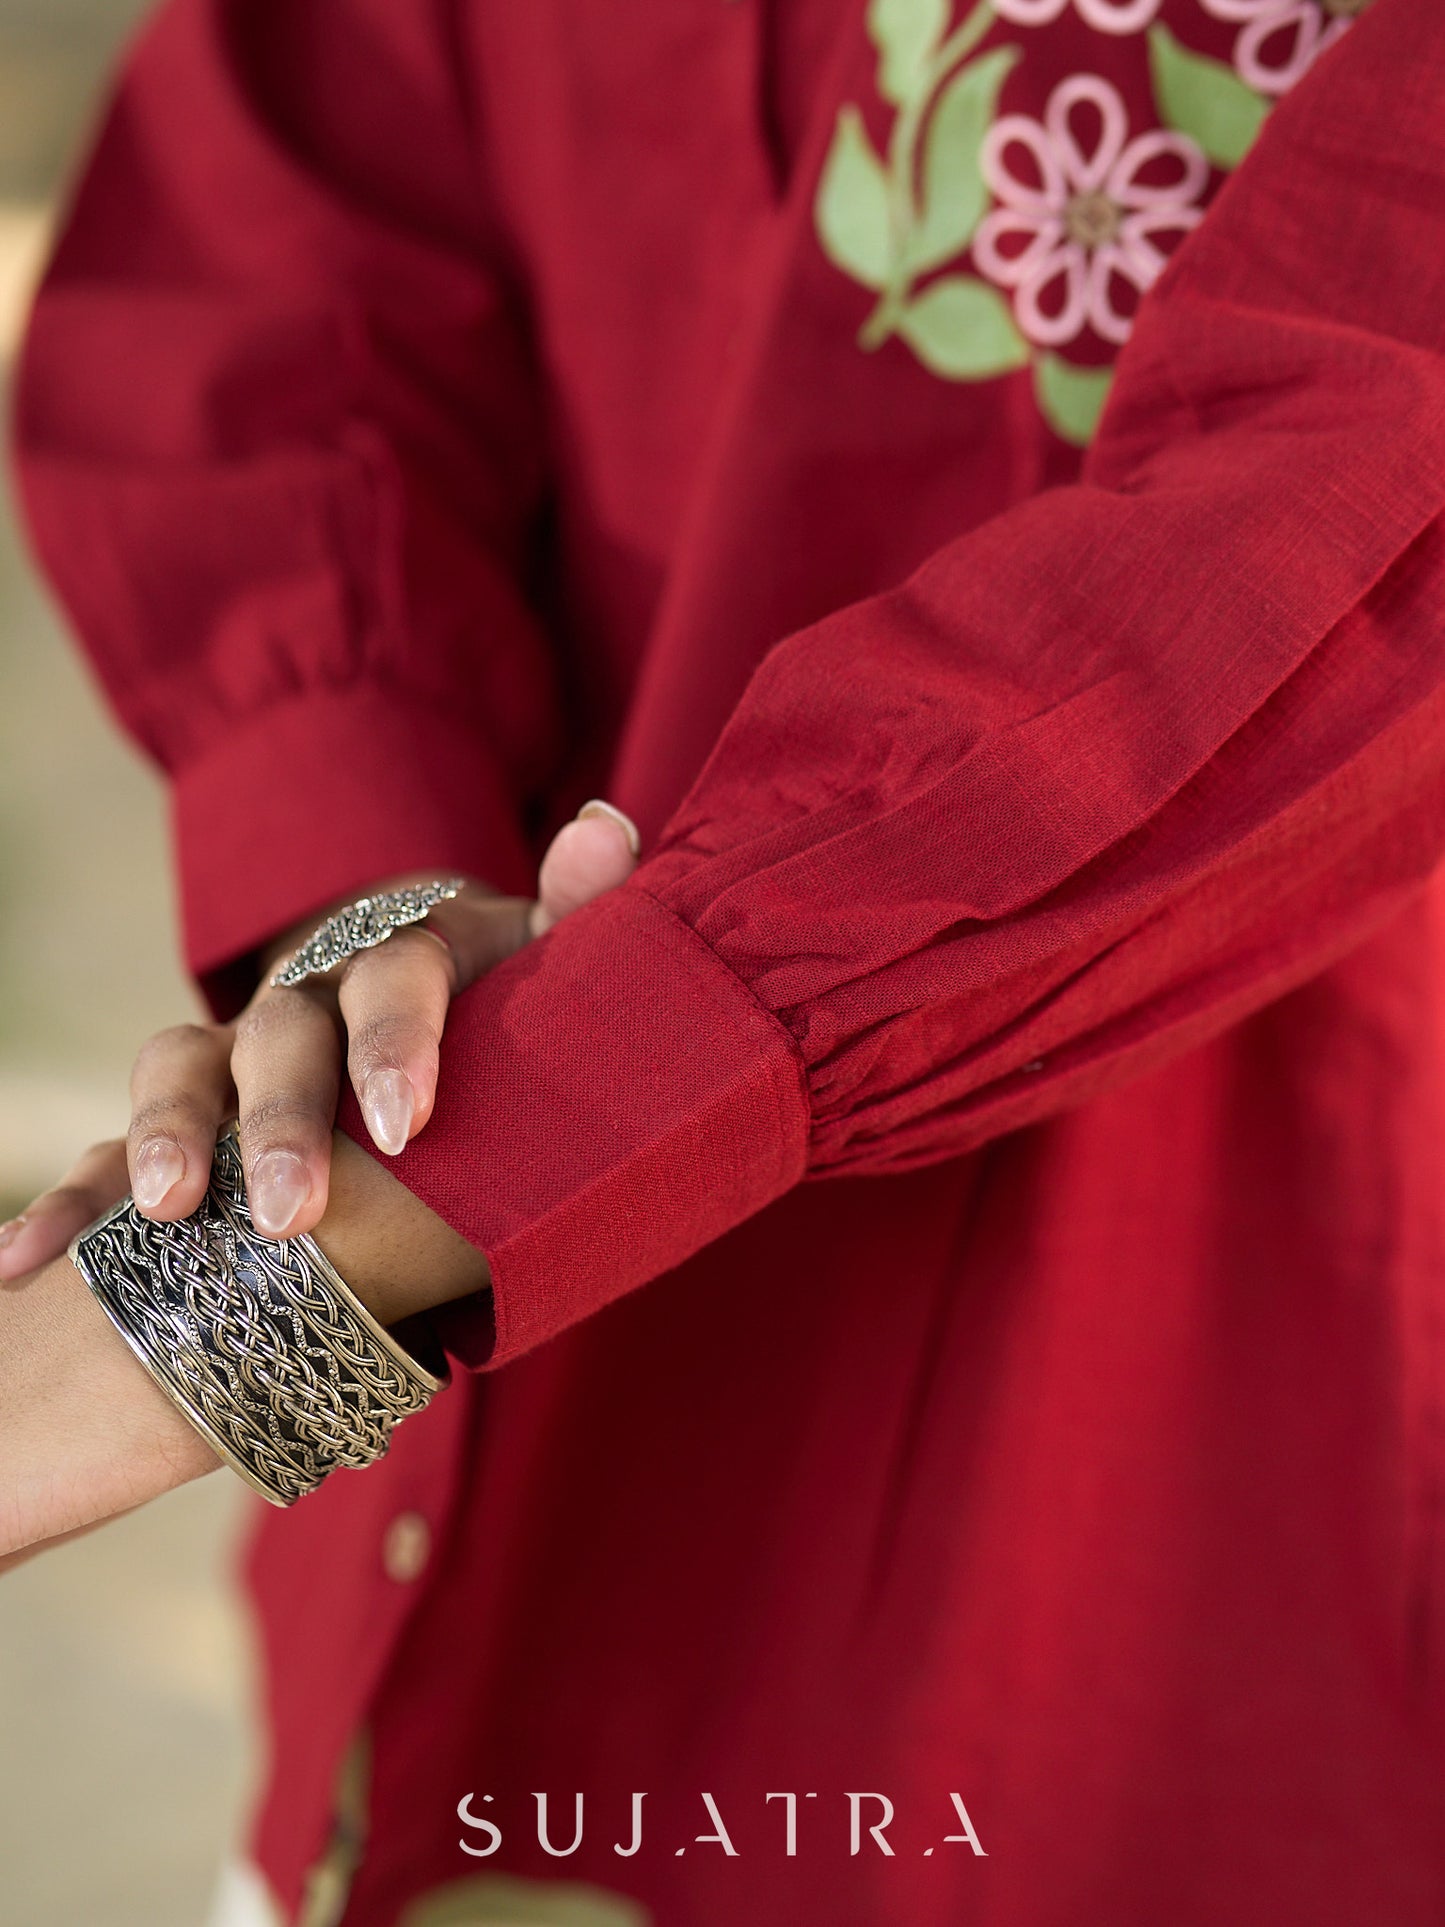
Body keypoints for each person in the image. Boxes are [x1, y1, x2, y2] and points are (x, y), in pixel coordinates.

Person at [2, 0, 1443, 1921]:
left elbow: (1362, 487)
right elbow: (297, 204)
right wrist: (365, 948)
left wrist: (249, 1292)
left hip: (1189, 1400)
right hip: (471, 1456)